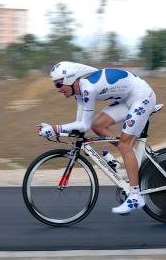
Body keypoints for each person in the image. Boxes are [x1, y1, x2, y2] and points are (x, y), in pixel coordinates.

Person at [37, 61, 157, 214]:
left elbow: (83, 125)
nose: (58, 89)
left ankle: (135, 196)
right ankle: (132, 158)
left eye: (58, 85)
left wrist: (55, 128)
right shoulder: (79, 93)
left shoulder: (88, 89)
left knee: (124, 146)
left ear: (69, 79)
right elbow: (80, 125)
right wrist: (56, 130)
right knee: (98, 126)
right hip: (127, 99)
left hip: (142, 97)